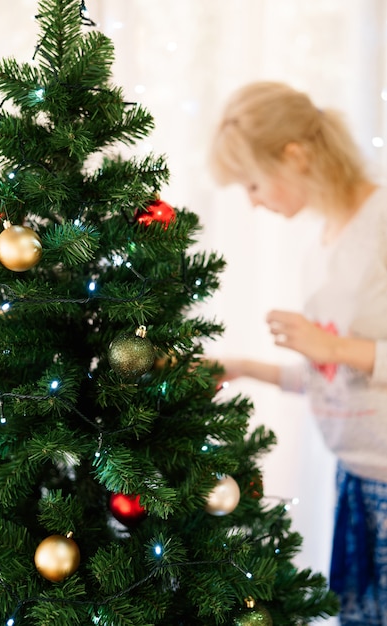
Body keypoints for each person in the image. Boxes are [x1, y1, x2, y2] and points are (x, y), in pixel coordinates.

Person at [210, 81, 387, 626]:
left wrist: (331, 344)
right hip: (357, 480)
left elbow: (335, 353)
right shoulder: (322, 247)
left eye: (255, 183)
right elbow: (331, 376)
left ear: (295, 155)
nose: (255, 200)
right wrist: (240, 368)